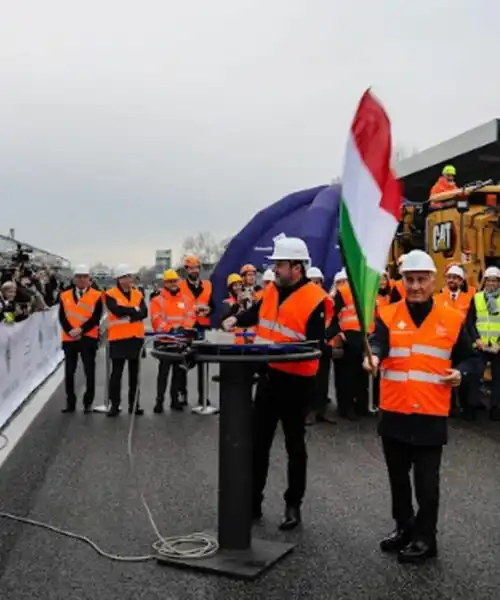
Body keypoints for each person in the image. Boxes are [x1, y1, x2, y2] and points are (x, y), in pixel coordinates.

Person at [363, 249, 479, 564]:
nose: (415, 286)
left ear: (432, 281)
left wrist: (462, 373)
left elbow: (471, 357)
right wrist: (373, 356)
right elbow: (378, 342)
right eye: (409, 279)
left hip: (430, 415)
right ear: (402, 281)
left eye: (421, 280)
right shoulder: (387, 315)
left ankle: (426, 539)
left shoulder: (452, 319)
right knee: (398, 481)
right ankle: (404, 528)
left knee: (426, 484)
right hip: (395, 413)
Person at [222, 236, 332, 530]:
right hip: (270, 378)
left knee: (295, 447)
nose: (275, 269)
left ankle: (293, 505)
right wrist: (236, 319)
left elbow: (315, 345)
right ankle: (252, 501)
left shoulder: (316, 299)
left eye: (280, 264)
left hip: (297, 384)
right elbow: (256, 314)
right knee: (258, 444)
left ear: (297, 267)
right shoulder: (271, 290)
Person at [59, 264, 103, 413]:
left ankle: (88, 402)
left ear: (89, 279)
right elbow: (62, 316)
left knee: (89, 371)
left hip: (88, 338)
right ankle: (70, 403)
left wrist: (81, 330)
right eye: (79, 276)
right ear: (74, 279)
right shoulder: (64, 295)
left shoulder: (97, 295)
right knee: (69, 372)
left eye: (85, 277)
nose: (82, 279)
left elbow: (96, 317)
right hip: (69, 338)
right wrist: (70, 330)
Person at [105, 264, 148, 417]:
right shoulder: (110, 294)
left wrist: (131, 312)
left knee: (134, 374)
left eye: (130, 276)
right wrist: (133, 311)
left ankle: (134, 404)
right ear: (119, 279)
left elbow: (144, 312)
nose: (129, 279)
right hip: (118, 338)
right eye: (126, 277)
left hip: (135, 338)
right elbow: (116, 311)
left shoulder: (138, 294)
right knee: (116, 373)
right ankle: (114, 405)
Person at [150, 269, 195, 412]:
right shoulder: (157, 300)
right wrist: (170, 329)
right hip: (165, 341)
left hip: (180, 341)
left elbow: (191, 316)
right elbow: (156, 319)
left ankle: (175, 400)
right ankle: (159, 401)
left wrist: (184, 328)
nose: (173, 284)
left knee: (178, 372)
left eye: (175, 281)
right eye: (170, 281)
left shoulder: (187, 299)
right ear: (165, 283)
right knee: (163, 373)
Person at [465, 265, 500, 421]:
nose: (491, 284)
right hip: (480, 345)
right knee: (474, 375)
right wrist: (476, 339)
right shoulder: (477, 297)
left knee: (498, 378)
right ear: (484, 282)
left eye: (495, 281)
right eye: (489, 281)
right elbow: (470, 321)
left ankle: (496, 409)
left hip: (497, 346)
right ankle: (472, 407)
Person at [179, 255, 215, 407]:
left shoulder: (207, 285)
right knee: (183, 361)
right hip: (187, 327)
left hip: (202, 325)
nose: (194, 271)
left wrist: (208, 310)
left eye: (196, 268)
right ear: (186, 270)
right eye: (191, 268)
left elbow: (214, 305)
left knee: (203, 362)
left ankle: (203, 396)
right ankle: (182, 394)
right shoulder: (180, 286)